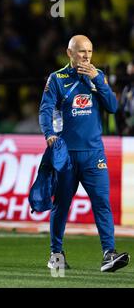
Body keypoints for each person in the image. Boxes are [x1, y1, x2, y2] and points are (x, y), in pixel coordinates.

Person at [39, 35, 130, 272]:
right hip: (66, 155)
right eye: (81, 52)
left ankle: (109, 254)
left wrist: (98, 80)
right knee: (62, 205)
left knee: (102, 203)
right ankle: (56, 253)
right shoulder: (57, 79)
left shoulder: (96, 75)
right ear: (69, 53)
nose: (87, 56)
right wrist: (49, 133)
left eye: (90, 51)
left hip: (94, 155)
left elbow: (112, 107)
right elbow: (45, 109)